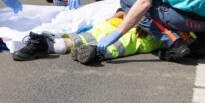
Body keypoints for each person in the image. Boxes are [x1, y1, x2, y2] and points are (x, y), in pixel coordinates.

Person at [10, 10, 164, 62]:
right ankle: (49, 44)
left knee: (132, 40)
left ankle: (97, 52)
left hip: (157, 26)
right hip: (133, 15)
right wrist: (122, 10)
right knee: (101, 29)